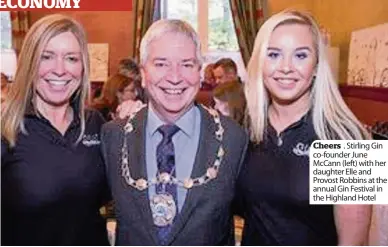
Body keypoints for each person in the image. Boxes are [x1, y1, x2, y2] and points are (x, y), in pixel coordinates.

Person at [101, 19, 248, 245]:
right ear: (143, 73)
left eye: (187, 64)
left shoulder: (234, 139)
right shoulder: (113, 136)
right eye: (161, 64)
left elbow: (270, 218)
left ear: (200, 72)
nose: (175, 77)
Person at [237, 10, 371, 245]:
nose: (286, 67)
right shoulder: (248, 126)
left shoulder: (347, 138)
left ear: (317, 66)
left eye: (300, 55)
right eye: (274, 54)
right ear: (259, 62)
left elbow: (354, 243)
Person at [1, 14, 109, 245]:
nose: (60, 70)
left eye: (71, 58)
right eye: (46, 57)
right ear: (29, 63)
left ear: (83, 67)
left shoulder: (95, 123)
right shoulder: (6, 128)